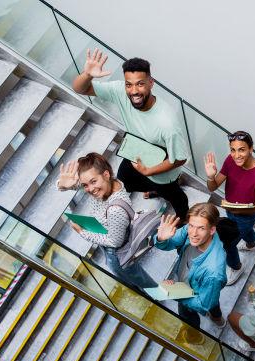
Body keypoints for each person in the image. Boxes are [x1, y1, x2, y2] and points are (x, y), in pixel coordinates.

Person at [72, 49, 190, 222]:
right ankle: (153, 187)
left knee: (173, 195)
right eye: (129, 84)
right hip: (136, 151)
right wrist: (88, 74)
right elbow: (79, 88)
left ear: (151, 83)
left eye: (140, 84)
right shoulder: (120, 91)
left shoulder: (167, 122)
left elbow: (180, 158)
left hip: (160, 167)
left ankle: (183, 217)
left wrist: (149, 171)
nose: (134, 91)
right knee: (126, 180)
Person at [57, 152, 158, 290]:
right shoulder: (110, 182)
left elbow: (114, 242)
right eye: (85, 185)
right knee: (131, 276)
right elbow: (83, 182)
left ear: (106, 175)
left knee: (133, 276)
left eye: (93, 182)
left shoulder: (114, 209)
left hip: (116, 254)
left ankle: (153, 294)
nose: (90, 189)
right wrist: (63, 185)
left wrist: (82, 232)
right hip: (107, 234)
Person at [153, 203, 228, 339]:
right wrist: (161, 239)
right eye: (191, 225)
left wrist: (178, 294)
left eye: (201, 228)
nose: (193, 233)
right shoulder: (191, 230)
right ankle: (218, 319)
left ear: (212, 230)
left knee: (190, 315)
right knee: (212, 297)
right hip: (196, 284)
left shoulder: (213, 272)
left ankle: (195, 339)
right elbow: (171, 243)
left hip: (193, 291)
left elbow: (204, 303)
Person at [203, 131, 255, 286]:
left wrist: (236, 210)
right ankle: (251, 245)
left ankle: (236, 267)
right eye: (233, 149)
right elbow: (213, 187)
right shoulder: (231, 160)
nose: (236, 155)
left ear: (251, 149)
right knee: (244, 231)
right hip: (231, 208)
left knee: (228, 244)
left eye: (242, 149)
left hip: (245, 215)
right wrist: (210, 176)